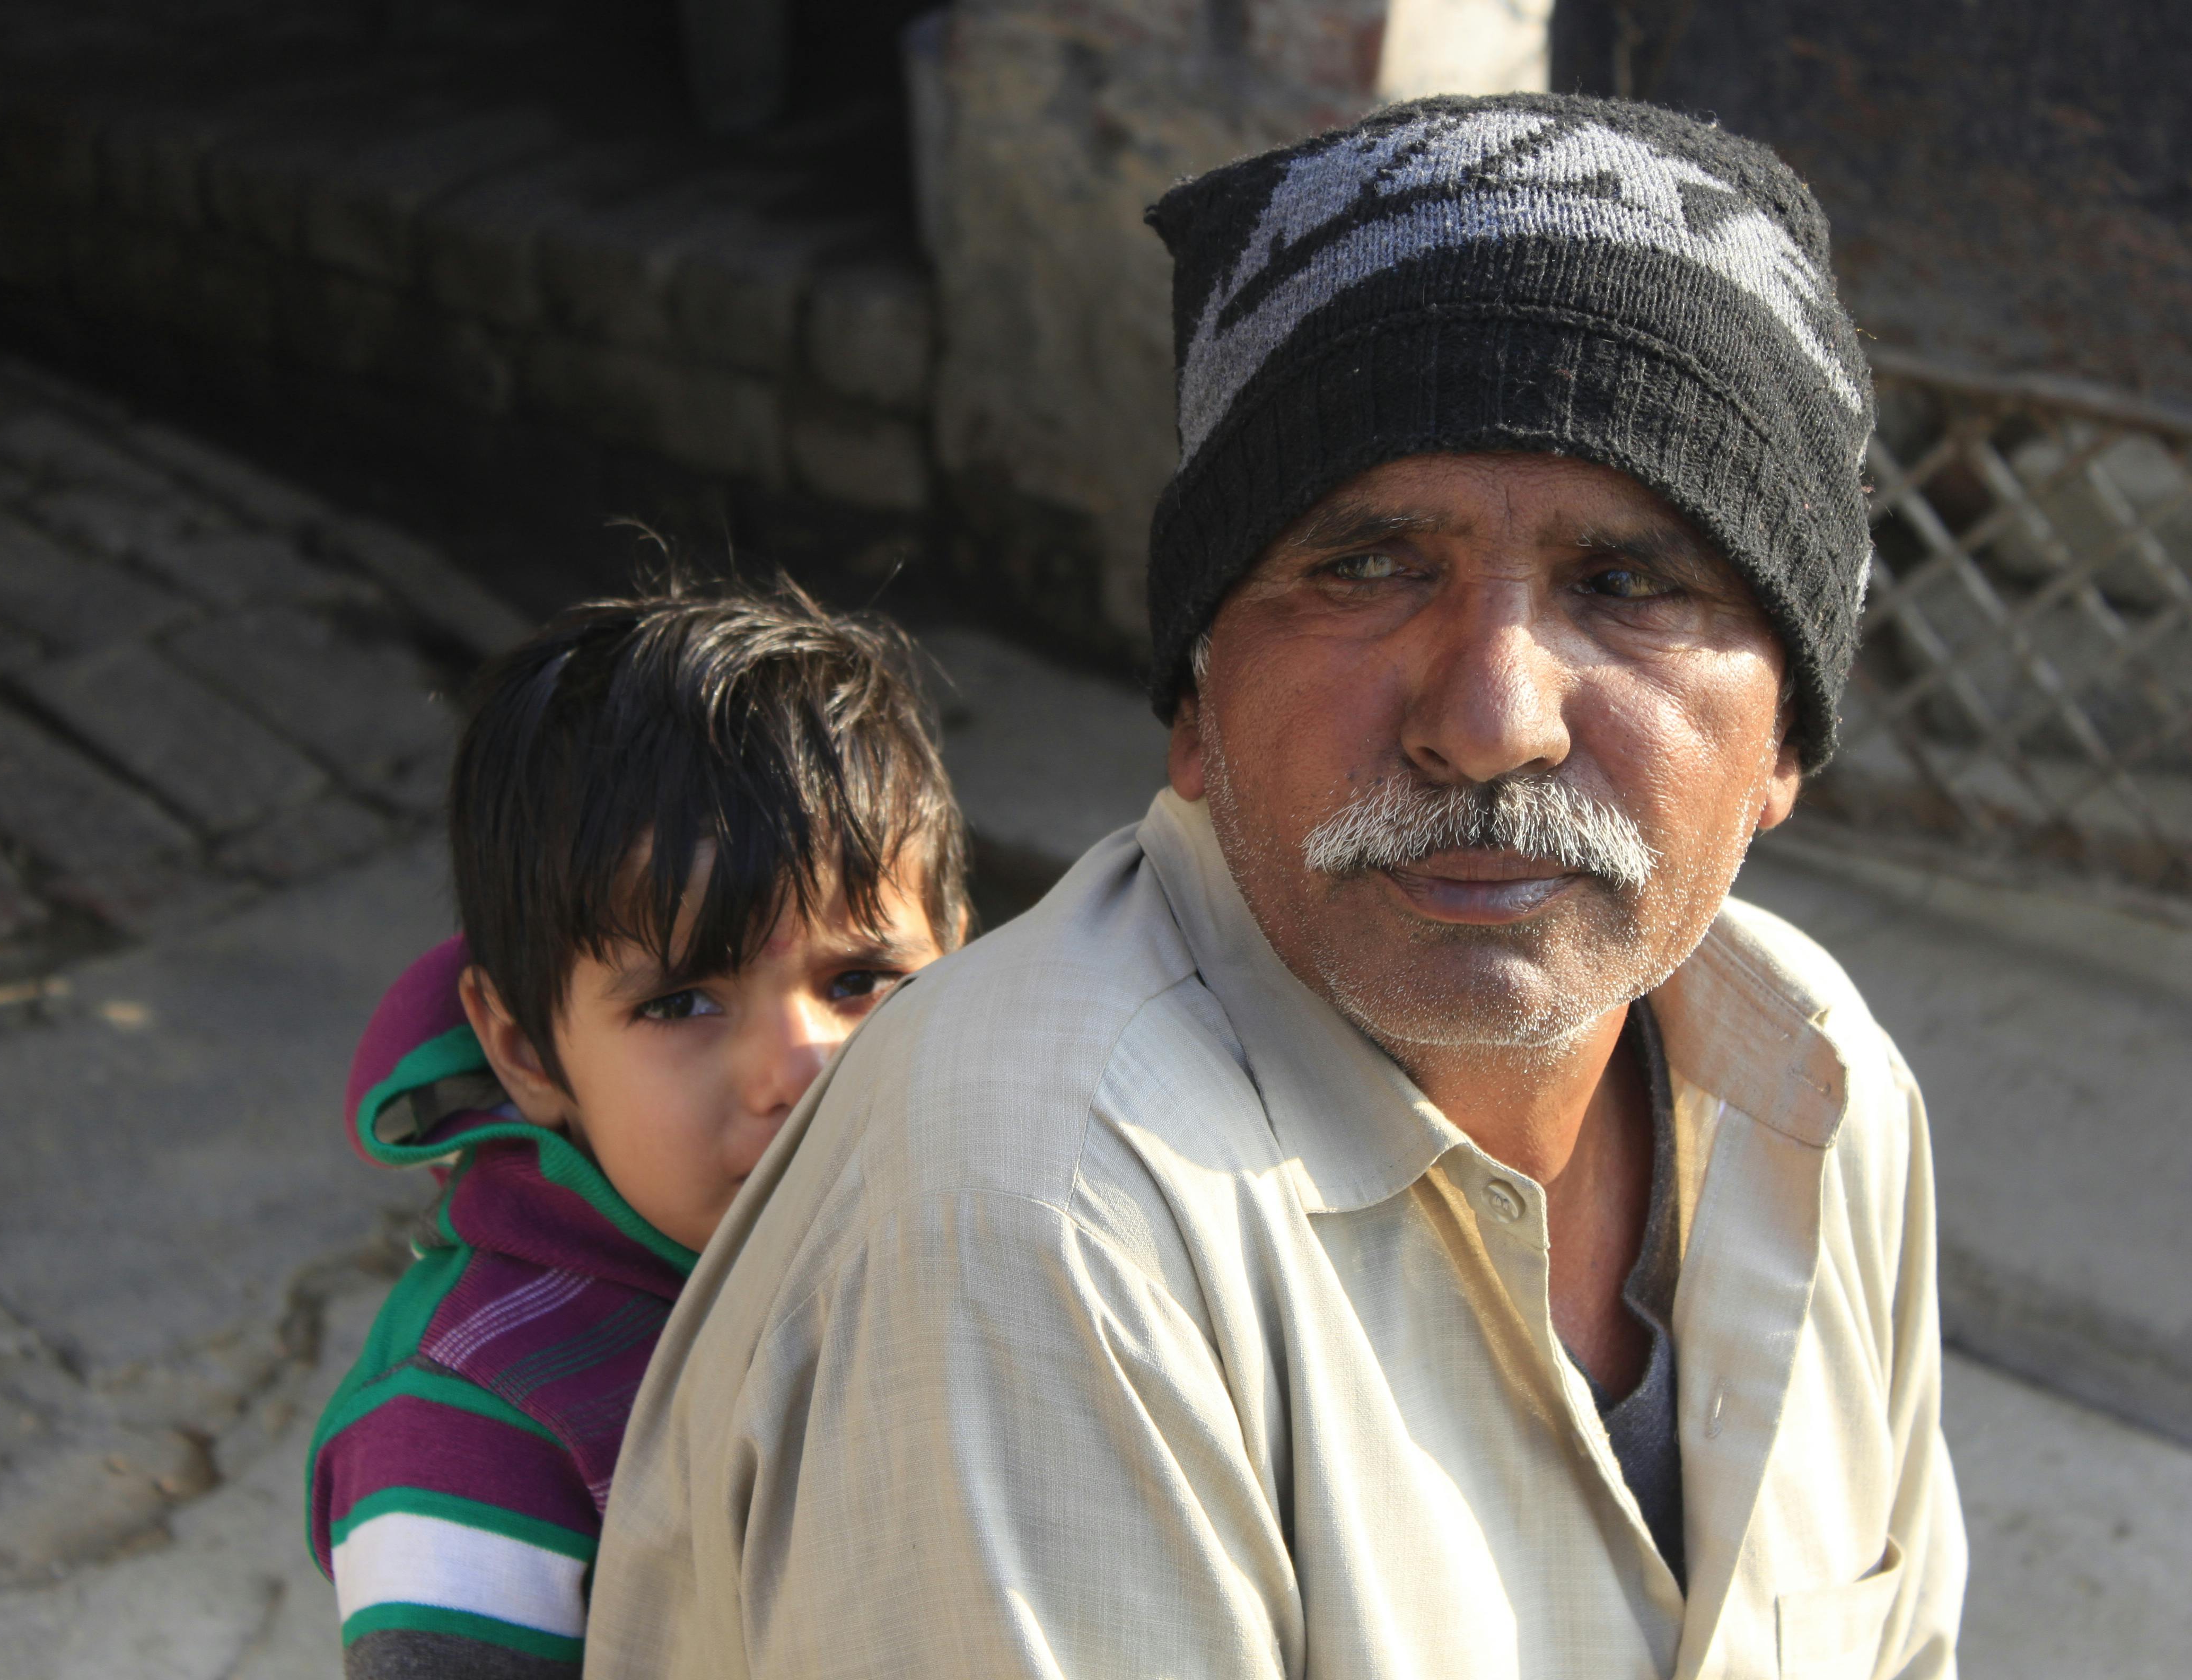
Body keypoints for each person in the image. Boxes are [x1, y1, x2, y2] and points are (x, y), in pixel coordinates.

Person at [585, 94, 1966, 1679]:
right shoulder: (1042, 1215)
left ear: (1784, 738)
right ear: (1194, 703)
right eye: (1367, 567)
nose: (1490, 719)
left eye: (1629, 582)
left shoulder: (1815, 1077)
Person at [304, 580, 970, 1678]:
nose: (803, 1071)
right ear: (524, 1049)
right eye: (682, 1003)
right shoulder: (470, 1430)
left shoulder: (1002, 1223)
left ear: (961, 955)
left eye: (859, 980)